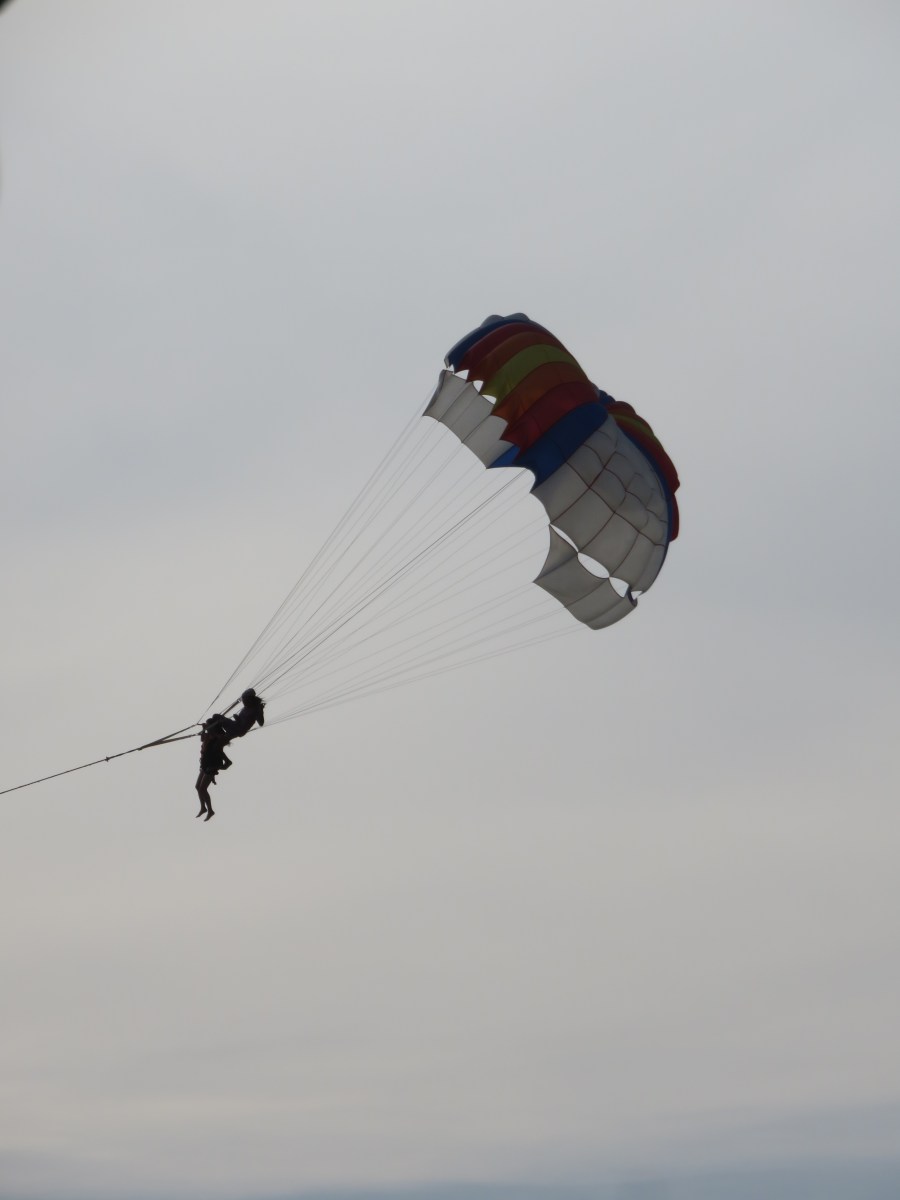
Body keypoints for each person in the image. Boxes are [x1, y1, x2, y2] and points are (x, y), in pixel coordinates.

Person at [195, 714, 233, 822]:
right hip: (205, 763)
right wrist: (204, 730)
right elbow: (203, 739)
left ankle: (210, 810)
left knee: (202, 788)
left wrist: (217, 769)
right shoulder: (208, 736)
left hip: (212, 764)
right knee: (197, 787)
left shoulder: (217, 737)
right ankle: (203, 808)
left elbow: (219, 747)